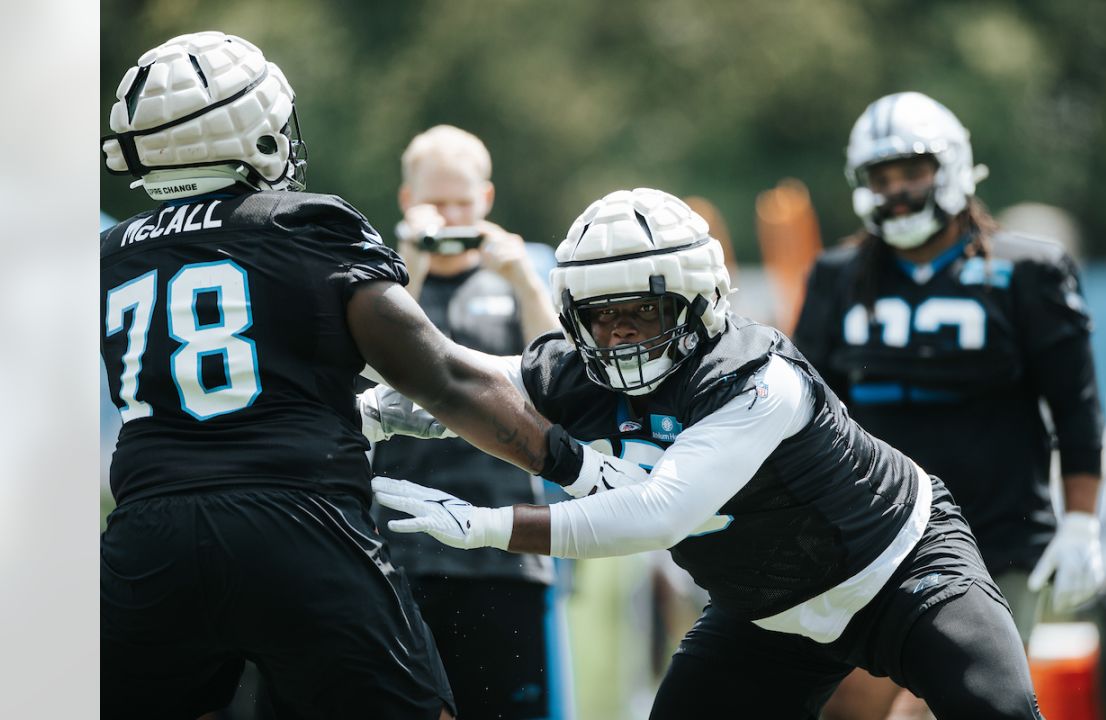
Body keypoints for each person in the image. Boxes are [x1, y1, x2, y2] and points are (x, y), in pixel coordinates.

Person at [99, 32, 641, 720]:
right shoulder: (305, 226)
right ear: (252, 131)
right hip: (296, 525)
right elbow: (445, 379)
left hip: (150, 537)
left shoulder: (107, 255)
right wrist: (578, 468)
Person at [370, 187, 1046, 719]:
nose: (621, 334)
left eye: (642, 310)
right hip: (766, 608)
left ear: (697, 301)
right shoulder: (576, 371)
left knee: (999, 711)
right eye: (601, 315)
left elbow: (658, 515)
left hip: (898, 567)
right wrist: (366, 415)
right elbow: (465, 383)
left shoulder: (755, 378)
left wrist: (490, 526)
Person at [790, 92, 1105, 719]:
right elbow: (803, 412)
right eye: (883, 178)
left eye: (913, 172)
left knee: (959, 705)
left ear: (953, 168)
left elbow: (1076, 405)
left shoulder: (1029, 270)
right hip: (870, 533)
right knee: (849, 708)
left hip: (999, 534)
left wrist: (1082, 522)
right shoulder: (839, 276)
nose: (898, 191)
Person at [368, 124, 568, 720]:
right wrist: (407, 267)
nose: (452, 217)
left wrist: (526, 282)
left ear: (487, 199)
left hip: (506, 543)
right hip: (401, 547)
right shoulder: (381, 282)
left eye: (464, 202)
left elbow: (562, 383)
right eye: (437, 203)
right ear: (408, 203)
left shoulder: (518, 281)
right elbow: (365, 377)